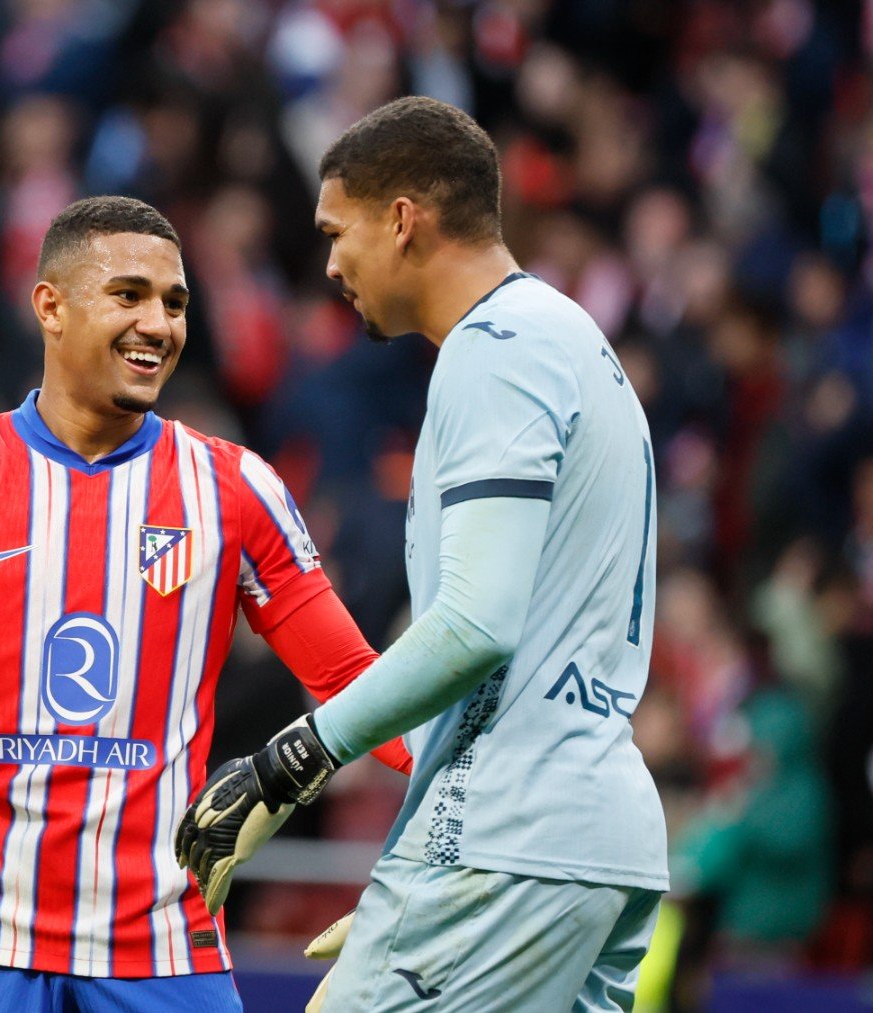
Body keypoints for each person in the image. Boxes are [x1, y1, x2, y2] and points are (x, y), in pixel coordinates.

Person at [0, 195, 409, 1011]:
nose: (160, 324)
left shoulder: (234, 487)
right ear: (51, 306)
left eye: (175, 303)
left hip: (164, 949)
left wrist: (470, 799)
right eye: (130, 295)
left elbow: (354, 675)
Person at [179, 96, 667, 1011]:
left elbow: (478, 623)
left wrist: (288, 764)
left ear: (402, 221)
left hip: (507, 839)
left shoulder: (497, 352)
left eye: (337, 231)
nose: (329, 264)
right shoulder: (571, 340)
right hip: (590, 838)